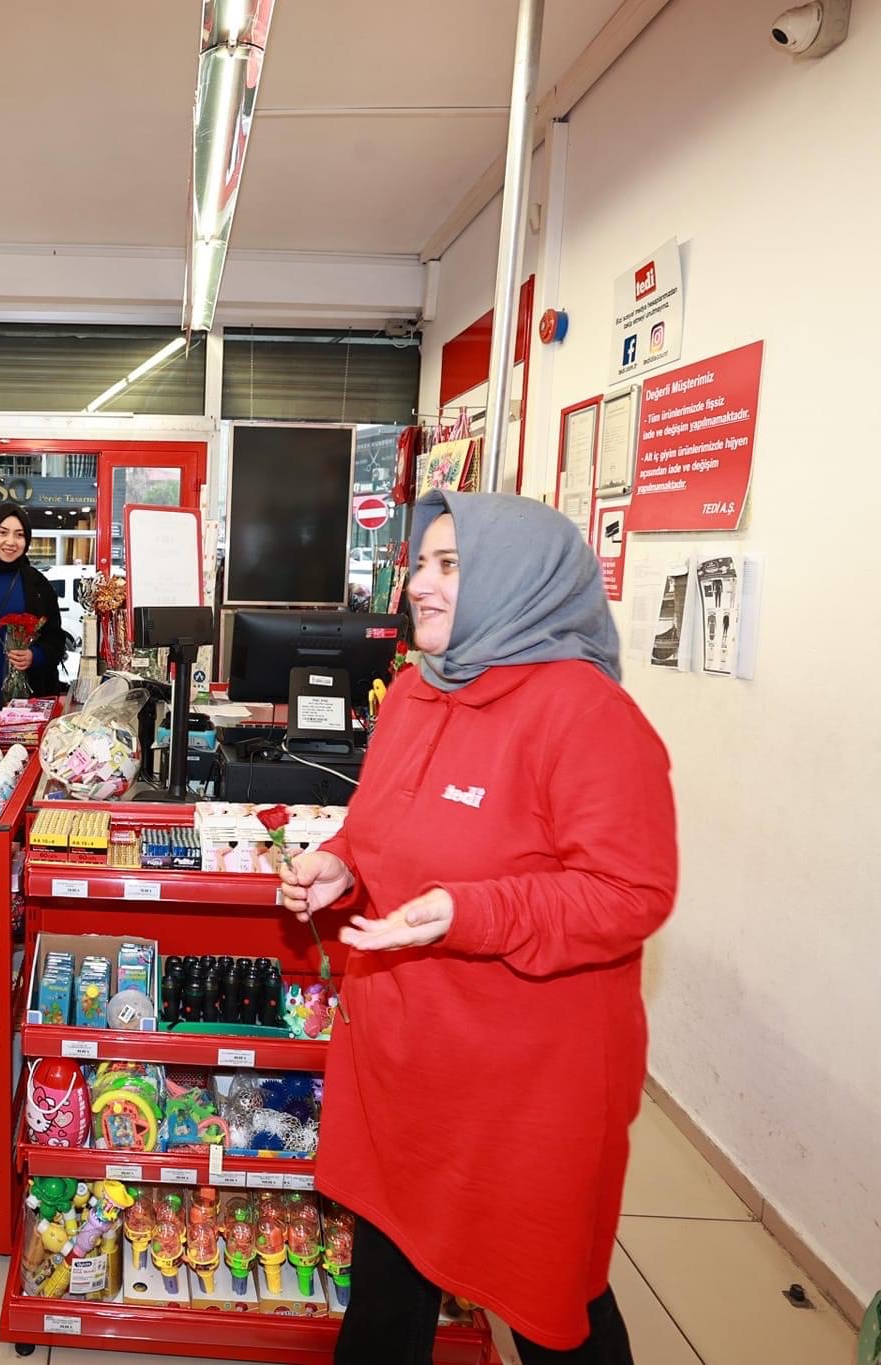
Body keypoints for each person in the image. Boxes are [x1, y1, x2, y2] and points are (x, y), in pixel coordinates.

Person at [278, 490, 677, 1365]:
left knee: (547, 1304)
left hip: (526, 1085)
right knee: (386, 1285)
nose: (419, 583)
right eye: (420, 562)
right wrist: (342, 864)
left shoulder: (586, 713)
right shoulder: (416, 692)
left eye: (450, 566)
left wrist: (472, 908)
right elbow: (383, 826)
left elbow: (630, 892)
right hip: (405, 1058)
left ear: (519, 581)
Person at [0, 500, 68, 759]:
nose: (11, 542)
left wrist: (35, 656)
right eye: (2, 532)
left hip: (24, 706)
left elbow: (55, 639)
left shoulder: (37, 584)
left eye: (19, 535)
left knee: (19, 766)